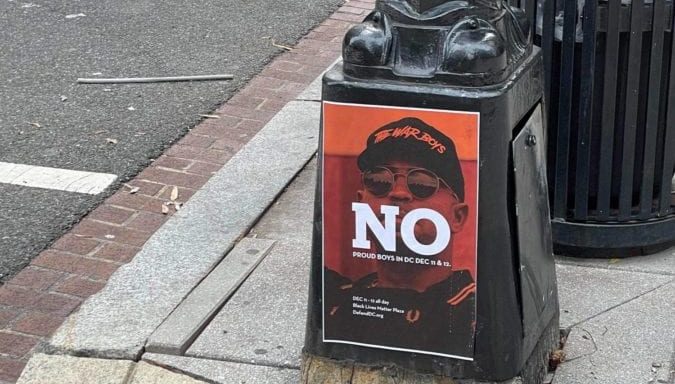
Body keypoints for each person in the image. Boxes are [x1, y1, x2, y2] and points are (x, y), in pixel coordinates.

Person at [324, 117, 476, 358]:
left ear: (457, 217)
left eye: (422, 183)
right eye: (379, 180)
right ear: (360, 201)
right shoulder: (335, 297)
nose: (398, 193)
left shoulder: (476, 312)